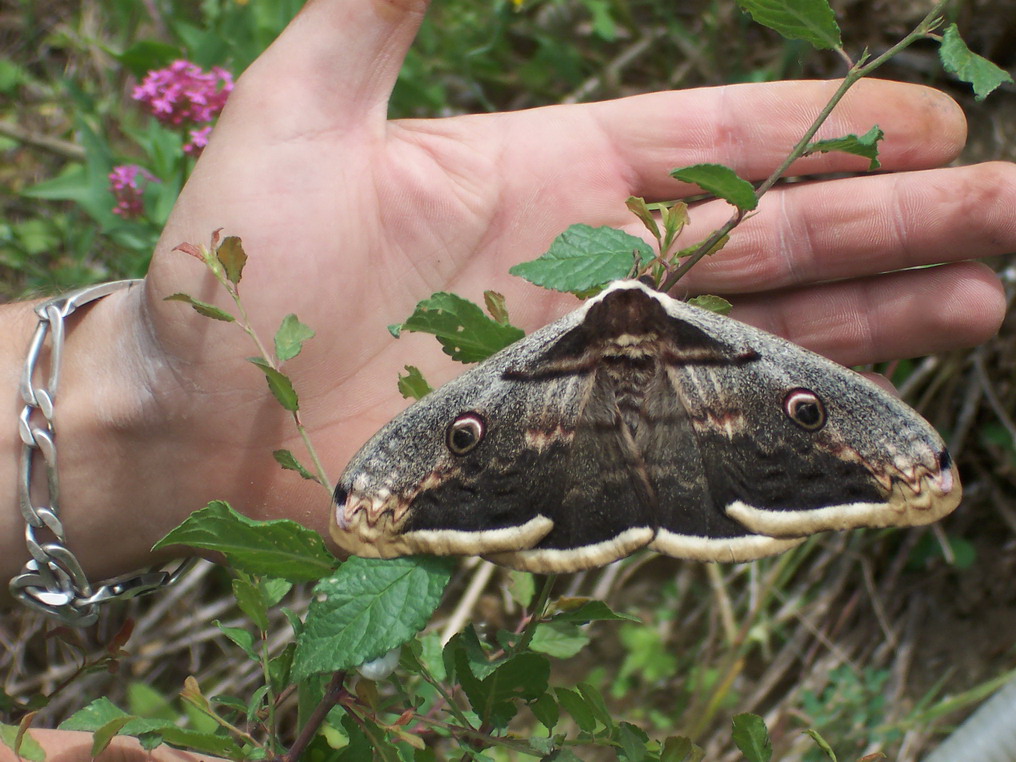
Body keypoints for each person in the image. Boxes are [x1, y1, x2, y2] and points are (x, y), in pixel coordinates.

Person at [2, 0, 1012, 758]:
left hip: (555, 385)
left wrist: (140, 410)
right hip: (646, 423)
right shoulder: (704, 344)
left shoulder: (566, 340)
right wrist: (155, 404)